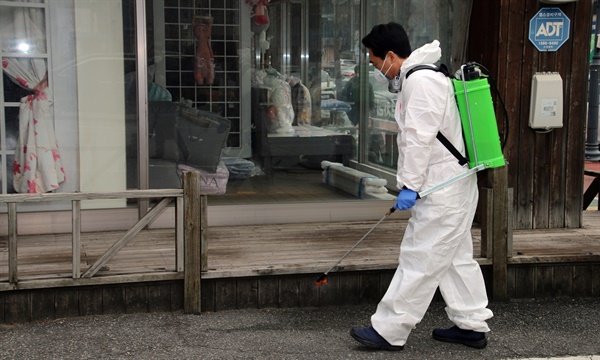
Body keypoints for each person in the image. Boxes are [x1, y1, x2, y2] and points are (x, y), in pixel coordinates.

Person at [350, 22, 493, 351]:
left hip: (443, 189)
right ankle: (471, 325)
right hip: (452, 184)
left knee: (419, 257)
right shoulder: (425, 76)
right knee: (455, 258)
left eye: (375, 63)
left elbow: (418, 139)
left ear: (389, 56)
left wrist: (409, 186)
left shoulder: (420, 81)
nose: (378, 71)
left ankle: (389, 330)